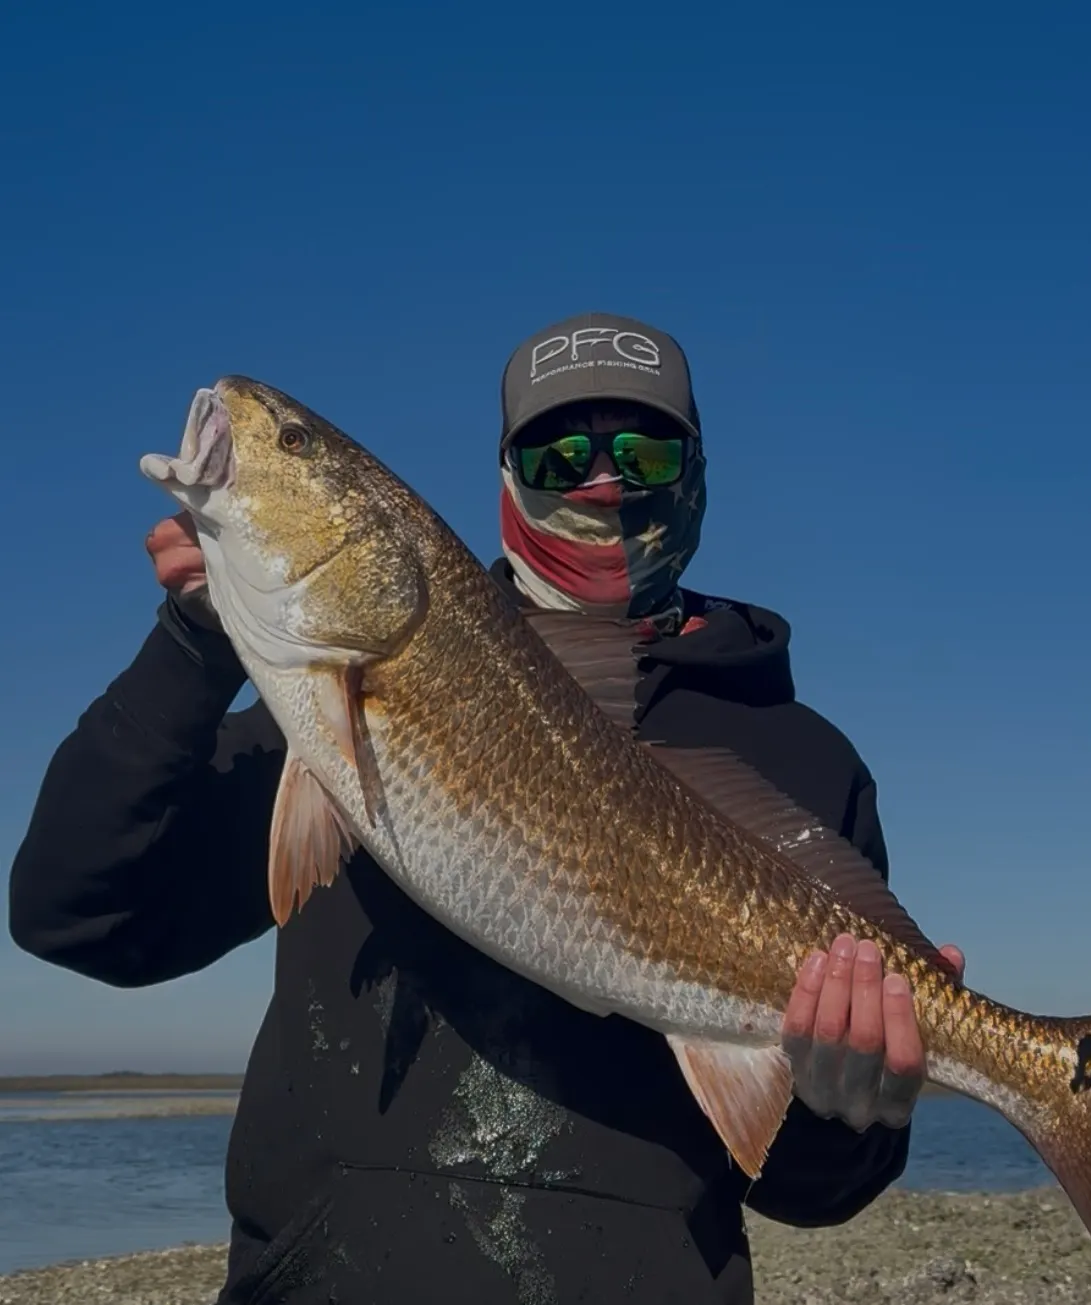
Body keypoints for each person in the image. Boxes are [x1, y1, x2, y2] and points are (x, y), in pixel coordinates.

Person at [8, 312, 964, 1305]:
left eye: (643, 448)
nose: (603, 480)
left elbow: (814, 1192)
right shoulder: (329, 707)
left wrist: (847, 1109)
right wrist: (196, 644)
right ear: (508, 473)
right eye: (559, 452)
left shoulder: (804, 761)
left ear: (697, 470)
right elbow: (78, 914)